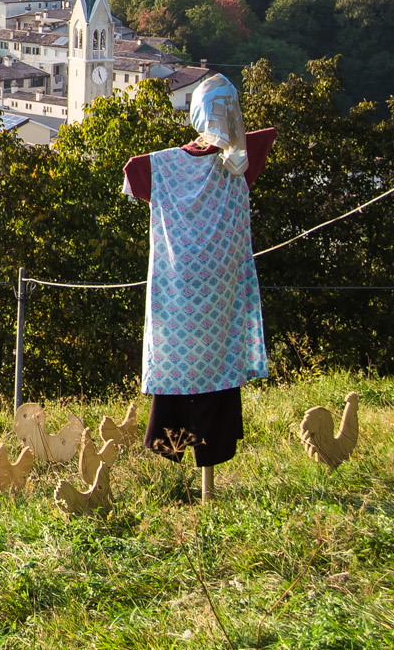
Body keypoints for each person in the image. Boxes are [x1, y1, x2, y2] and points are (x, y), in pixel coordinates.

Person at [121, 73, 277, 500]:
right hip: (223, 295)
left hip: (177, 295)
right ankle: (207, 474)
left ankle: (179, 453)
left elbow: (132, 171)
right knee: (219, 371)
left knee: (179, 370)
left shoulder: (159, 165)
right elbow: (261, 138)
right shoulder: (245, 159)